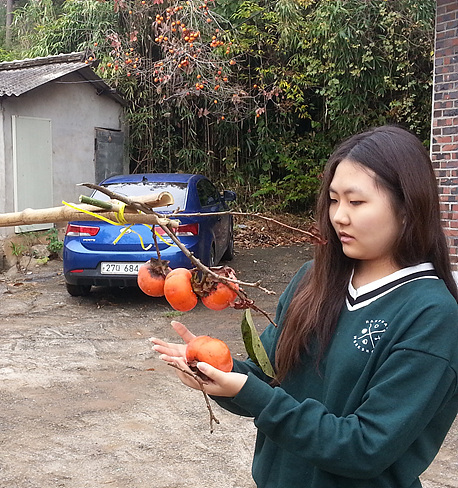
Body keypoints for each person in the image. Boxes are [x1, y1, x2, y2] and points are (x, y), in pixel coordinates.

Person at [151, 125, 458, 488]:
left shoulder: (431, 314)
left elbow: (365, 448)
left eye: (356, 202)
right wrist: (215, 367)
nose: (339, 216)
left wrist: (254, 395)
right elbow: (267, 377)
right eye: (333, 199)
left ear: (408, 208)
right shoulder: (313, 280)